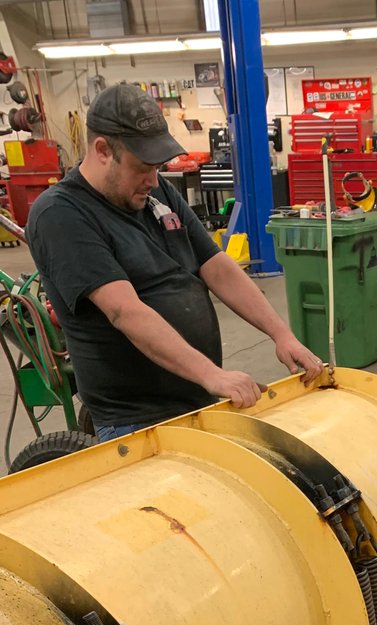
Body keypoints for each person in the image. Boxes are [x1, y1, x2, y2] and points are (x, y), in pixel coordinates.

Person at [27, 84, 323, 442]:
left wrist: (282, 334)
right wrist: (212, 374)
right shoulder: (61, 214)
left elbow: (217, 265)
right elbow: (125, 311)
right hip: (138, 422)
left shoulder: (155, 191)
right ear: (103, 150)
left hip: (195, 397)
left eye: (157, 167)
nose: (153, 180)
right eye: (142, 167)